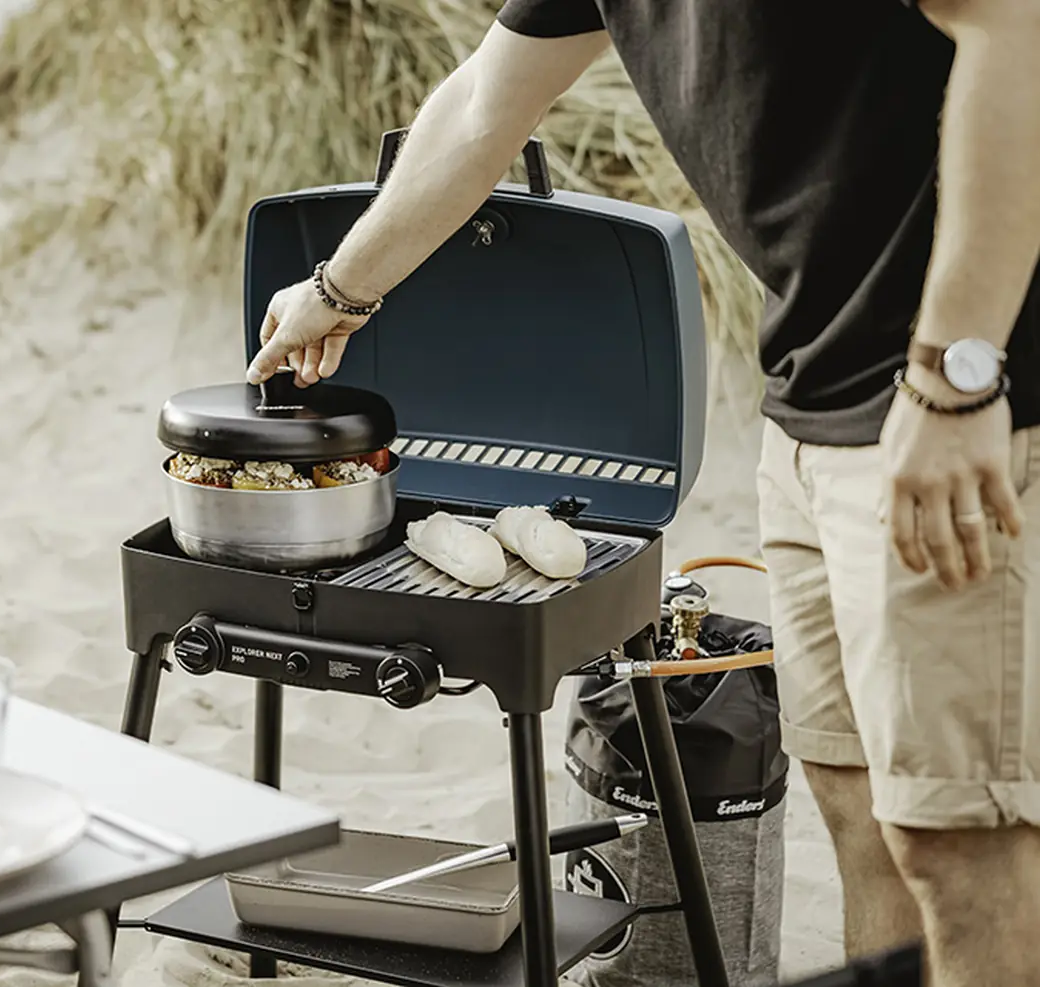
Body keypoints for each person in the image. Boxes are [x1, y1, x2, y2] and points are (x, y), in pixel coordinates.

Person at [243, 2, 1040, 985]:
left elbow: (1014, 31)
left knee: (961, 845)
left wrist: (956, 377)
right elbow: (486, 103)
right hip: (806, 402)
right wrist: (338, 290)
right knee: (864, 813)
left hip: (958, 408)